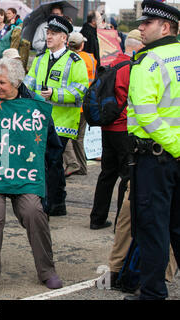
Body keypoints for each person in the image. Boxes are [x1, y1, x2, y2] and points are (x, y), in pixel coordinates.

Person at [0, 58, 63, 298]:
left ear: (17, 82)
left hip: (24, 174)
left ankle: (47, 271)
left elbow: (52, 145)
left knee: (33, 212)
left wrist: (43, 172)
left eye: (2, 82)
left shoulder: (36, 106)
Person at [123, 0, 180, 300]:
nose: (141, 27)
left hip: (156, 158)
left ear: (166, 27)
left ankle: (153, 294)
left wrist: (174, 146)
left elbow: (146, 113)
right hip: (172, 157)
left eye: (147, 23)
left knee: (153, 228)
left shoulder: (149, 61)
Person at [25, 15, 89, 217]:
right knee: (47, 161)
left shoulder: (75, 61)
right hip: (41, 119)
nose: (48, 37)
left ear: (64, 37)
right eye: (48, 33)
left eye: (53, 34)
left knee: (52, 160)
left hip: (63, 121)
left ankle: (53, 202)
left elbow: (81, 90)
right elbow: (29, 83)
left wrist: (55, 94)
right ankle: (53, 201)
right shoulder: (40, 58)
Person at [88, 30, 145, 231]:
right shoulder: (133, 67)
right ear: (139, 47)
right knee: (127, 175)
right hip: (123, 127)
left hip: (107, 125)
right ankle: (121, 225)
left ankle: (97, 218)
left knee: (107, 174)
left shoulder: (111, 63)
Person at [63, 32, 93, 178]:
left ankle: (72, 163)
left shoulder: (67, 60)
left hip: (71, 104)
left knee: (64, 135)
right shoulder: (91, 59)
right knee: (79, 138)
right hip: (86, 104)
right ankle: (82, 166)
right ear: (82, 44)